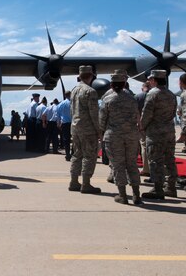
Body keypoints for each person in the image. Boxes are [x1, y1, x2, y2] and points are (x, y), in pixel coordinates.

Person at [99, 70, 141, 204]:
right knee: (132, 164)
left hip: (114, 136)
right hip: (131, 135)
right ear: (124, 84)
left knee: (118, 165)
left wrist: (101, 135)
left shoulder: (107, 99)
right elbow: (136, 116)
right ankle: (136, 195)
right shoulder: (132, 98)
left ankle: (122, 195)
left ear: (111, 85)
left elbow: (102, 120)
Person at [140, 70, 178, 199]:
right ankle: (171, 187)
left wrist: (142, 127)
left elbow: (147, 114)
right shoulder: (171, 94)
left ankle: (157, 189)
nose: (149, 81)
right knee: (170, 160)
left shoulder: (153, 93)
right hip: (169, 131)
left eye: (151, 79)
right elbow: (173, 112)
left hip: (155, 132)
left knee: (155, 161)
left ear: (155, 80)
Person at [68, 66, 102, 194]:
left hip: (75, 127)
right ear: (91, 76)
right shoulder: (91, 91)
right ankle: (86, 183)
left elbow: (71, 110)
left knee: (77, 154)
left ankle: (74, 181)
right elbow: (94, 113)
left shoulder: (74, 90)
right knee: (89, 155)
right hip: (88, 129)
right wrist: (99, 130)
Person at [57, 91, 72, 160]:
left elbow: (58, 115)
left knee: (66, 139)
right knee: (75, 139)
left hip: (65, 123)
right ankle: (74, 153)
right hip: (73, 123)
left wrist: (58, 123)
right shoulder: (73, 103)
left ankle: (67, 154)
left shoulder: (61, 104)